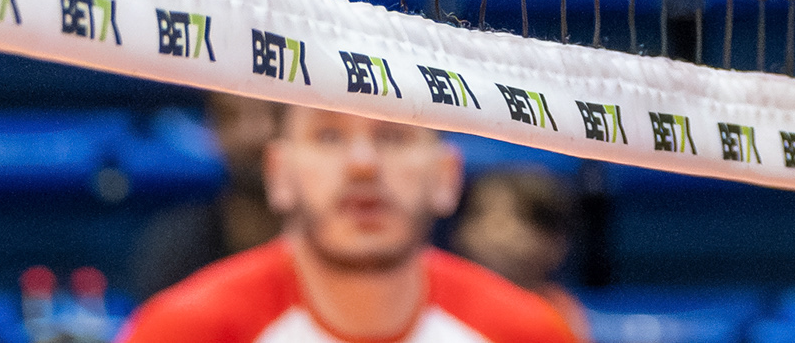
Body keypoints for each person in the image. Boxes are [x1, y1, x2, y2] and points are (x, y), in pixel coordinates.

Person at [122, 108, 571, 343]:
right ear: (279, 174)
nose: (363, 164)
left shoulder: (530, 335)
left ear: (446, 176)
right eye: (329, 135)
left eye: (393, 135)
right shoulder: (180, 332)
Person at [129, 91, 291, 296]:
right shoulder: (176, 245)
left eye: (275, 115)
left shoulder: (325, 242)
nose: (253, 134)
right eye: (229, 115)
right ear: (210, 125)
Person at [444, 163, 584, 339]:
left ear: (554, 241)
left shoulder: (556, 313)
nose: (490, 230)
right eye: (479, 213)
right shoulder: (442, 300)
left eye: (509, 219)